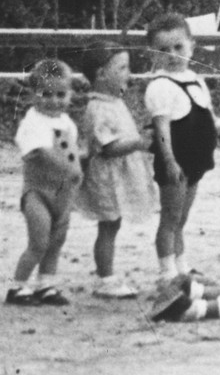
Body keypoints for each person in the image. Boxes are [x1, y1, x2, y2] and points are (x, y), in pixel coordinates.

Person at [145, 13, 220, 284]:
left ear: (191, 46)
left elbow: (210, 118)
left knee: (181, 217)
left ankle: (181, 266)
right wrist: (169, 160)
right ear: (152, 54)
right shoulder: (159, 86)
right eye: (163, 50)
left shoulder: (196, 80)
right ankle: (166, 272)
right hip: (176, 160)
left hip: (196, 160)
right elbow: (161, 130)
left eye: (178, 47)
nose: (172, 54)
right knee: (170, 217)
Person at [75, 41, 158, 298]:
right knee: (108, 225)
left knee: (113, 224)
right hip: (107, 176)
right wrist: (139, 142)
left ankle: (107, 274)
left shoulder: (113, 102)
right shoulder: (98, 107)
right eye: (122, 68)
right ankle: (105, 279)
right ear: (101, 74)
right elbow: (108, 147)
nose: (128, 73)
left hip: (118, 175)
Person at [6, 59, 82, 306]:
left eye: (61, 94)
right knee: (38, 242)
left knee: (56, 242)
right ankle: (18, 286)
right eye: (46, 94)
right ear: (33, 94)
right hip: (38, 193)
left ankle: (46, 284)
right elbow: (42, 152)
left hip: (63, 193)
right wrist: (70, 168)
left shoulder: (67, 123)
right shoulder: (33, 122)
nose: (54, 100)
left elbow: (71, 152)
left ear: (70, 94)